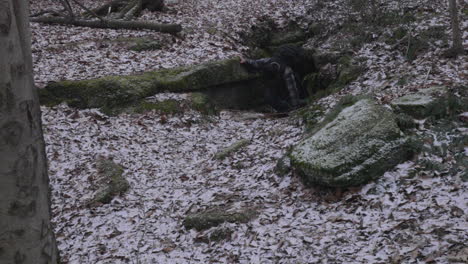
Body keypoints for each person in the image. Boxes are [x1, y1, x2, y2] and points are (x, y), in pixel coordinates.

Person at [240, 45, 308, 112]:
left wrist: (296, 107)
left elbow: (293, 90)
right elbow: (255, 62)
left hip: (285, 83)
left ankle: (293, 105)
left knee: (286, 94)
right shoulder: (267, 61)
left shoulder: (286, 71)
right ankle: (283, 109)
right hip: (274, 83)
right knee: (269, 97)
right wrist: (246, 61)